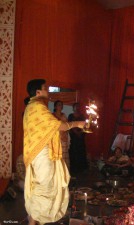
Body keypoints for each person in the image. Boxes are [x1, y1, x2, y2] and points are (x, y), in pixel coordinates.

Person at [23, 79, 85, 225]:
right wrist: (77, 124)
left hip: (39, 152)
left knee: (41, 188)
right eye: (45, 88)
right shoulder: (37, 106)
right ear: (38, 92)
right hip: (41, 153)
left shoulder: (33, 106)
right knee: (43, 189)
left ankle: (35, 221)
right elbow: (57, 126)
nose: (47, 91)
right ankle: (34, 222)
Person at [68, 102, 88, 175]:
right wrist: (76, 132)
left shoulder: (82, 116)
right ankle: (73, 168)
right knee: (73, 151)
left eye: (78, 107)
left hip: (80, 136)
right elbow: (69, 125)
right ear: (73, 108)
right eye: (75, 107)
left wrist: (80, 133)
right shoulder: (70, 116)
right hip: (73, 136)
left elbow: (85, 125)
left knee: (81, 150)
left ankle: (81, 168)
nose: (77, 108)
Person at [53, 100, 70, 169]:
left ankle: (64, 173)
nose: (61, 106)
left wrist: (65, 134)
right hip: (56, 138)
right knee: (57, 154)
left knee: (64, 156)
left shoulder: (64, 115)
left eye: (61, 105)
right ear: (55, 106)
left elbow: (67, 126)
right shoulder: (52, 115)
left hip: (64, 137)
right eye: (59, 105)